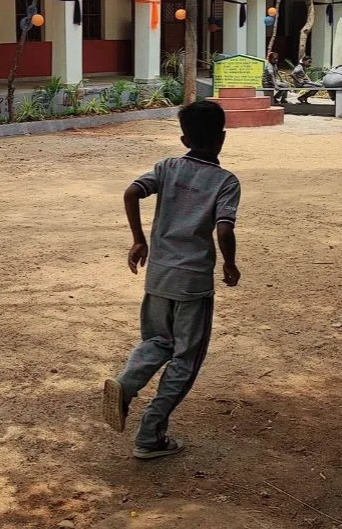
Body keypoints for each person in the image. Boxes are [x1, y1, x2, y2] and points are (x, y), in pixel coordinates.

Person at [104, 100, 241, 460]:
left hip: (159, 275)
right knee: (186, 357)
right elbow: (224, 229)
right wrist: (229, 264)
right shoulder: (225, 181)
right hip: (193, 282)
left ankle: (126, 383)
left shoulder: (167, 167)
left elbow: (132, 191)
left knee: (157, 340)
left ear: (184, 139)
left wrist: (139, 239)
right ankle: (150, 434)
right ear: (222, 138)